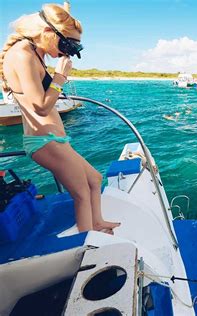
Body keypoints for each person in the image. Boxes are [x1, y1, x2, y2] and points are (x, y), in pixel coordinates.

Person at [0, 4, 120, 234]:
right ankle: (87, 244)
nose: (70, 50)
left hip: (56, 139)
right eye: (67, 43)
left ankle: (98, 223)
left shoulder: (36, 52)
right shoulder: (22, 54)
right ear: (48, 33)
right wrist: (60, 76)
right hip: (44, 141)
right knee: (81, 194)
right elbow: (41, 107)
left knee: (94, 179)